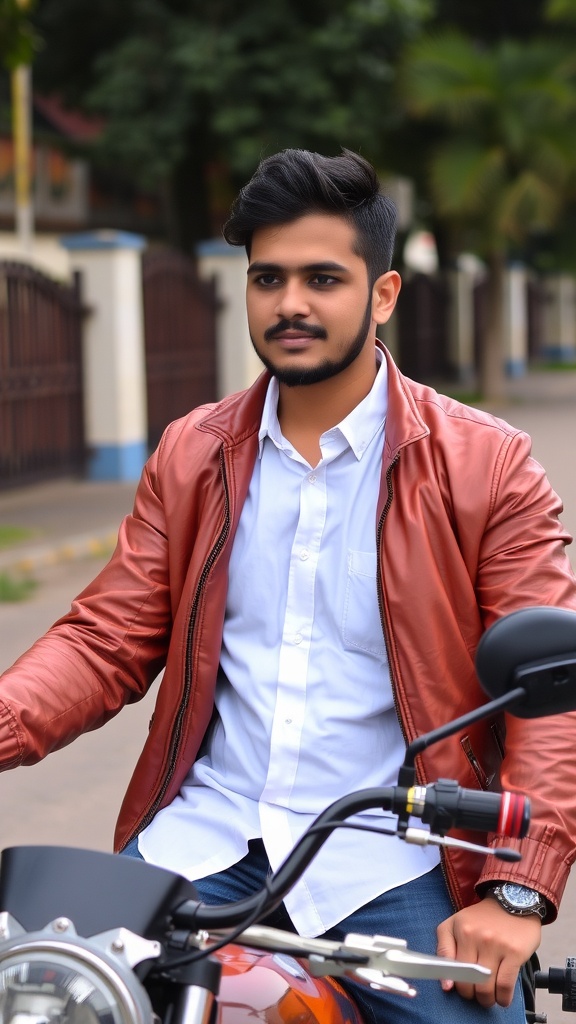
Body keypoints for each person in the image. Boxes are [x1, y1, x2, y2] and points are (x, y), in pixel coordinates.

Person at [2, 148, 576, 1024]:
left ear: (382, 295)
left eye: (322, 278)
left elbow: (551, 701)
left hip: (395, 859)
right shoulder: (194, 453)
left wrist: (515, 896)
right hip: (206, 840)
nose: (291, 303)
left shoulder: (486, 465)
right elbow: (103, 639)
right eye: (267, 278)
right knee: (44, 995)